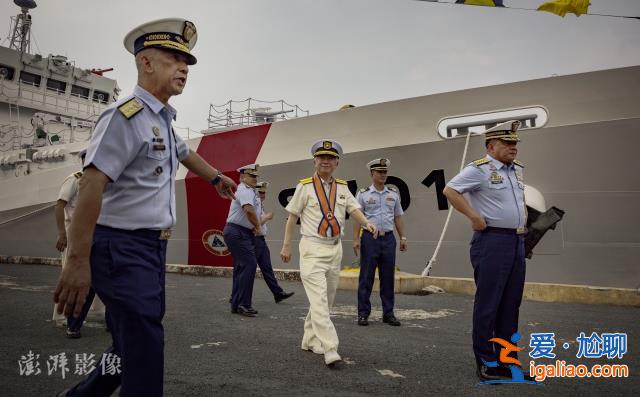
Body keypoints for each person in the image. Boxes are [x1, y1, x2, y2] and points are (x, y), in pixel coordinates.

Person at [53, 18, 236, 397]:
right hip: (121, 248)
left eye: (187, 61)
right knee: (145, 353)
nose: (184, 67)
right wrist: (76, 261)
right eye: (173, 57)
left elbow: (185, 155)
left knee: (127, 348)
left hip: (149, 249)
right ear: (147, 63)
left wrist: (217, 178)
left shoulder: (162, 122)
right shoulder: (124, 117)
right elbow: (91, 185)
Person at [443, 120, 529, 382]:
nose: (513, 147)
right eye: (507, 143)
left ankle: (507, 361)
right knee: (488, 305)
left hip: (516, 242)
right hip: (491, 242)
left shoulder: (517, 171)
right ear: (491, 146)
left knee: (510, 305)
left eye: (515, 143)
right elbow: (450, 190)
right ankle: (486, 362)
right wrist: (474, 216)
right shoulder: (479, 169)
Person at [280, 139, 377, 366]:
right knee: (320, 300)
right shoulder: (304, 187)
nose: (326, 161)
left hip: (335, 249)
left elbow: (354, 208)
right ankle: (330, 348)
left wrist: (367, 223)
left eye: (330, 158)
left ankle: (310, 339)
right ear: (315, 161)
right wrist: (286, 245)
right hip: (312, 248)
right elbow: (292, 217)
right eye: (322, 157)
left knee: (327, 300)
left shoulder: (342, 187)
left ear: (337, 163)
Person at [53, 149, 105, 338]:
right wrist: (61, 234)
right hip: (74, 231)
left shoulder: (101, 180)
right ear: (85, 160)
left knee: (100, 275)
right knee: (72, 275)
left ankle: (105, 317)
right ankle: (64, 318)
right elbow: (60, 205)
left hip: (94, 231)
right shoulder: (75, 178)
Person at [353, 158, 407, 327]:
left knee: (388, 277)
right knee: (366, 277)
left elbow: (397, 217)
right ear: (372, 174)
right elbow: (357, 217)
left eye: (385, 172)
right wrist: (356, 239)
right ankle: (363, 313)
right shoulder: (363, 194)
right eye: (379, 172)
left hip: (389, 239)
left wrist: (403, 237)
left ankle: (388, 313)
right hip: (370, 239)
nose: (383, 175)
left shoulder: (393, 194)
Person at [225, 164, 262, 317]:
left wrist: (252, 227)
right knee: (249, 264)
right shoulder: (245, 190)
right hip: (237, 232)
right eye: (251, 176)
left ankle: (237, 303)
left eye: (255, 176)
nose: (255, 179)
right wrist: (258, 226)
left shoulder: (249, 190)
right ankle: (243, 304)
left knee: (242, 267)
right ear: (242, 177)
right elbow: (248, 210)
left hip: (240, 232)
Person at [255, 181, 294, 303]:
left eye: (264, 193)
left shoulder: (259, 205)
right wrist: (266, 217)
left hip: (260, 240)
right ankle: (236, 296)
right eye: (260, 192)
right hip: (253, 240)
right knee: (246, 269)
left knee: (267, 268)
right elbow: (252, 223)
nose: (262, 195)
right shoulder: (252, 204)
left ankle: (278, 293)